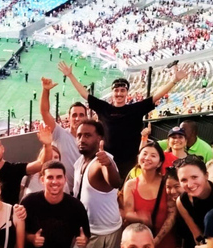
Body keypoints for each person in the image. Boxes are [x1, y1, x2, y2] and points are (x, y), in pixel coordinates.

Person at [59, 61, 190, 178]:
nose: (119, 93)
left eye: (122, 90)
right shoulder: (104, 108)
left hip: (131, 161)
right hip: (107, 159)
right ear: (112, 93)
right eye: (116, 90)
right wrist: (70, 75)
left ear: (127, 93)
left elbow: (156, 96)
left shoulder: (135, 109)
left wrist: (174, 80)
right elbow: (85, 94)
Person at [73, 120, 122, 248]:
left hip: (103, 235)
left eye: (87, 135)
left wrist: (108, 164)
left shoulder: (103, 161)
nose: (82, 139)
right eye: (79, 135)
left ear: (100, 139)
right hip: (89, 232)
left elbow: (114, 182)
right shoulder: (80, 161)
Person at [123, 142, 177, 248]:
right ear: (138, 157)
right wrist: (140, 218)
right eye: (144, 154)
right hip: (139, 243)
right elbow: (128, 213)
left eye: (153, 155)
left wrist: (156, 240)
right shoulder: (130, 185)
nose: (147, 158)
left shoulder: (166, 182)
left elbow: (172, 214)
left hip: (164, 242)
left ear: (159, 163)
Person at [0, 124, 52, 205]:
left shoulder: (14, 170)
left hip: (10, 216)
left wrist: (47, 145)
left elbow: (42, 164)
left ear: (2, 149)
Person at [40, 76, 86, 192]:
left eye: (81, 115)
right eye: (74, 115)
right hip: (63, 190)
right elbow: (44, 112)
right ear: (69, 118)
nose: (77, 118)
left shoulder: (91, 139)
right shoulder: (60, 134)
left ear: (86, 117)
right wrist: (46, 91)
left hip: (84, 191)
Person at [175, 156, 213, 248]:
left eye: (194, 177)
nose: (190, 184)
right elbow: (197, 235)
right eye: (184, 180)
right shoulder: (182, 201)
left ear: (206, 175)